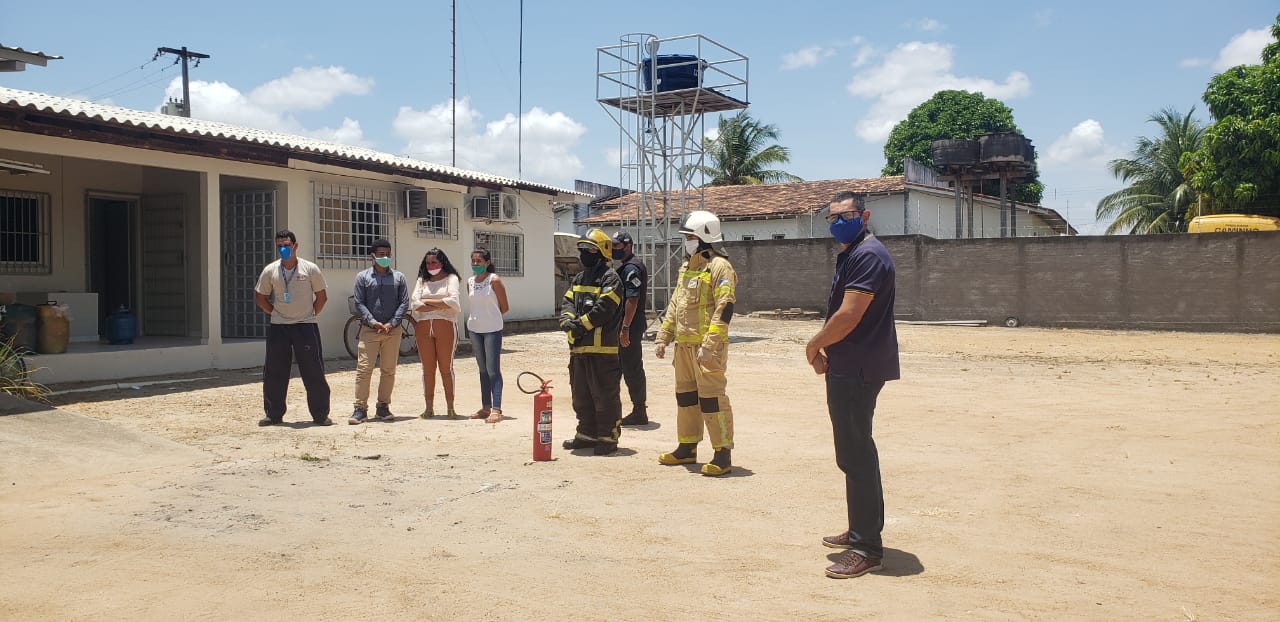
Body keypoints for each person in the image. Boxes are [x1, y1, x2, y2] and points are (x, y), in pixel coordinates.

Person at [804, 191, 900, 580]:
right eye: (831, 217)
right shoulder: (855, 252)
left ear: (864, 215)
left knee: (856, 452)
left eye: (845, 215)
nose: (837, 222)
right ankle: (861, 529)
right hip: (852, 364)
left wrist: (815, 344)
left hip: (858, 368)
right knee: (854, 451)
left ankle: (867, 548)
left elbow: (849, 315)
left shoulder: (868, 255)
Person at [654, 210, 738, 476]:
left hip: (707, 350)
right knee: (686, 399)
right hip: (683, 347)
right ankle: (687, 447)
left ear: (704, 236)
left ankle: (722, 454)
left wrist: (710, 344)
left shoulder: (720, 267)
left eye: (690, 236)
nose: (686, 241)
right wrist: (663, 337)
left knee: (713, 400)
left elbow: (725, 308)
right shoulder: (687, 266)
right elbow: (676, 304)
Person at [253, 229, 332, 427]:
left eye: (287, 245)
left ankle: (320, 414)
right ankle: (273, 414)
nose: (283, 249)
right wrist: (274, 313)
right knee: (274, 371)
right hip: (279, 327)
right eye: (280, 245)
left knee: (313, 370)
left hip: (305, 326)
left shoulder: (310, 268)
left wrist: (310, 314)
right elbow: (260, 297)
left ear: (295, 246)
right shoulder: (271, 270)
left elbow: (321, 297)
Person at [559, 229, 625, 455]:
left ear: (601, 253)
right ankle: (586, 435)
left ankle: (608, 438)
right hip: (578, 350)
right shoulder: (578, 279)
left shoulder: (611, 279)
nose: (583, 254)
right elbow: (567, 301)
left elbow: (605, 308)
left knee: (605, 396)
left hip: (602, 351)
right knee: (581, 395)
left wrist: (581, 325)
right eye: (582, 249)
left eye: (589, 250)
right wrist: (568, 321)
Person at [348, 238, 410, 425]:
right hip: (369, 330)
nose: (385, 258)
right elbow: (359, 302)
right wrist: (374, 322)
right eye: (381, 254)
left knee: (388, 370)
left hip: (393, 330)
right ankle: (360, 409)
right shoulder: (363, 277)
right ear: (372, 256)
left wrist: (392, 323)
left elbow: (404, 302)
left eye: (388, 254)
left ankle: (383, 407)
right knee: (364, 369)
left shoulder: (399, 277)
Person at [410, 248, 462, 419]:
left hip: (445, 326)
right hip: (423, 327)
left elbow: (453, 301)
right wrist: (440, 302)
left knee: (446, 368)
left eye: (434, 262)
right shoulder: (422, 280)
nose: (431, 266)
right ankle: (429, 407)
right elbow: (415, 304)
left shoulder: (451, 278)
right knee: (427, 369)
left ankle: (450, 407)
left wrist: (427, 301)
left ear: (442, 262)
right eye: (428, 263)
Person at [466, 248, 508, 424]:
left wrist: (491, 318)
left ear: (487, 262)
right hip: (475, 329)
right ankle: (485, 407)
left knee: (492, 370)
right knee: (482, 370)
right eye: (473, 261)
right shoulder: (469, 281)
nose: (476, 264)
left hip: (492, 329)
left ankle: (496, 408)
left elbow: (504, 307)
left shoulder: (494, 281)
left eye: (479, 261)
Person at [612, 231, 650, 427]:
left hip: (630, 324)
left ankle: (639, 411)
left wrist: (625, 327)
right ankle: (613, 409)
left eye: (617, 246)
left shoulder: (631, 268)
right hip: (626, 324)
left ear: (628, 246)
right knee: (618, 367)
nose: (614, 250)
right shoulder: (626, 267)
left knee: (632, 367)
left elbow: (632, 299)